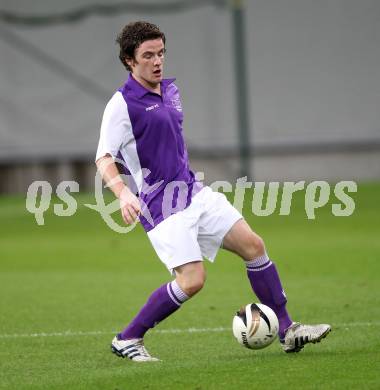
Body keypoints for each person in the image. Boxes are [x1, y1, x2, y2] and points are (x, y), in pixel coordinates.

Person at [95, 21, 330, 362]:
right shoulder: (122, 104)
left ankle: (288, 330)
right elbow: (103, 156)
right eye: (147, 56)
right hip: (161, 206)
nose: (157, 61)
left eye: (161, 53)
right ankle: (128, 338)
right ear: (129, 61)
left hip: (193, 192)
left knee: (254, 245)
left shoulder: (170, 91)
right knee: (192, 281)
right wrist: (122, 193)